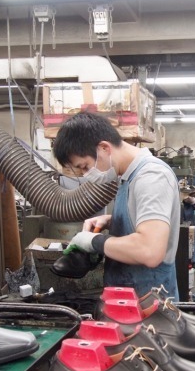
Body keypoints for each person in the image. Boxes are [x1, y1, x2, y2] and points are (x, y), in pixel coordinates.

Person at [53, 112, 181, 299]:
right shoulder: (128, 176)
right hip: (128, 300)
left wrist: (93, 241)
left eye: (85, 166)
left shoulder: (151, 177)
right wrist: (111, 221)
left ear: (104, 148)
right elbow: (145, 224)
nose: (86, 174)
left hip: (150, 308)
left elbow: (150, 250)